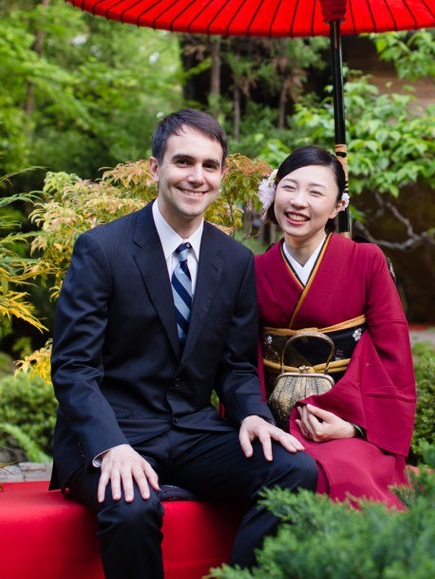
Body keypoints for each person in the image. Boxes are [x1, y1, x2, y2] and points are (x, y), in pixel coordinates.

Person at [49, 109, 318, 579]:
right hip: (114, 430)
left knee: (295, 472)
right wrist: (110, 445)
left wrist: (253, 413)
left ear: (221, 174)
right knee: (133, 507)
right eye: (183, 162)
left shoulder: (234, 260)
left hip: (192, 433)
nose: (197, 177)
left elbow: (235, 368)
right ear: (155, 169)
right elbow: (74, 368)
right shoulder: (102, 249)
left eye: (209, 166)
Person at [255, 145, 416, 509]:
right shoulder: (252, 270)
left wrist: (357, 427)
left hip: (348, 422)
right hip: (275, 424)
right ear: (273, 192)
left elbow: (393, 357)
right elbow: (240, 360)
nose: (298, 202)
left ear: (338, 206)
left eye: (315, 192)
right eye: (289, 187)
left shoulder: (366, 261)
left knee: (347, 472)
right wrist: (256, 418)